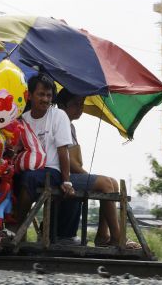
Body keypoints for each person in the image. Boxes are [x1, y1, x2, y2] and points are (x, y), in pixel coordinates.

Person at [56, 88, 141, 249]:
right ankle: (117, 238)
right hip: (63, 176)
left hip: (73, 174)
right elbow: (66, 159)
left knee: (113, 184)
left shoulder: (70, 127)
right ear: (62, 106)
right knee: (106, 185)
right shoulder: (60, 124)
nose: (80, 109)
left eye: (81, 104)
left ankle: (103, 235)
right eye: (75, 104)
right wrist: (86, 175)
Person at [14, 73, 76, 238]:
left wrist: (67, 181)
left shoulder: (59, 116)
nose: (46, 99)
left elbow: (63, 151)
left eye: (49, 95)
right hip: (29, 168)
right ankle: (5, 228)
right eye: (41, 94)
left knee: (29, 178)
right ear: (29, 96)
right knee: (8, 179)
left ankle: (17, 229)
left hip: (52, 170)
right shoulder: (22, 119)